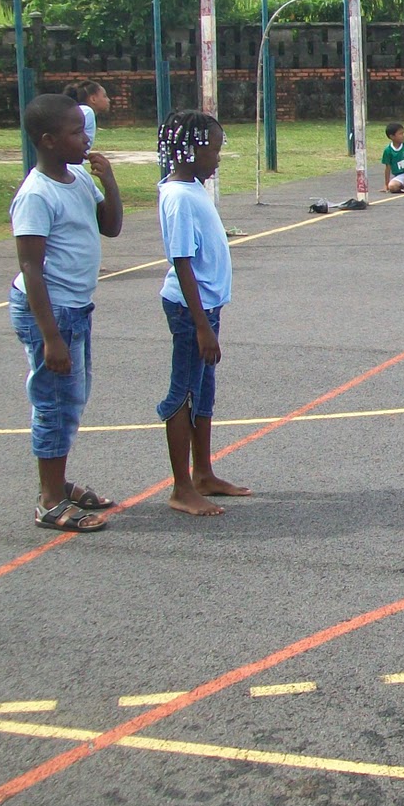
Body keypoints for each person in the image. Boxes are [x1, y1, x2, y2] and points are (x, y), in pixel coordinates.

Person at [10, 93, 123, 533]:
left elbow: (110, 226)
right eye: (76, 132)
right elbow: (30, 268)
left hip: (75, 306)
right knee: (54, 403)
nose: (85, 138)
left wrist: (108, 181)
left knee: (71, 399)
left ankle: (58, 482)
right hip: (49, 310)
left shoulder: (78, 179)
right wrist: (50, 336)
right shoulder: (36, 195)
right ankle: (49, 500)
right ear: (48, 140)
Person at [155, 110, 250, 517]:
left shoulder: (193, 188)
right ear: (190, 150)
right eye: (213, 150)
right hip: (190, 311)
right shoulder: (177, 198)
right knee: (184, 392)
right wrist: (200, 326)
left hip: (207, 308)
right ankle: (180, 487)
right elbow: (182, 262)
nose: (217, 158)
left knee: (204, 391)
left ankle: (203, 473)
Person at [63, 80, 110, 150]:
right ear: (93, 99)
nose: (108, 100)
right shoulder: (87, 111)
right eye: (104, 96)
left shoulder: (83, 111)